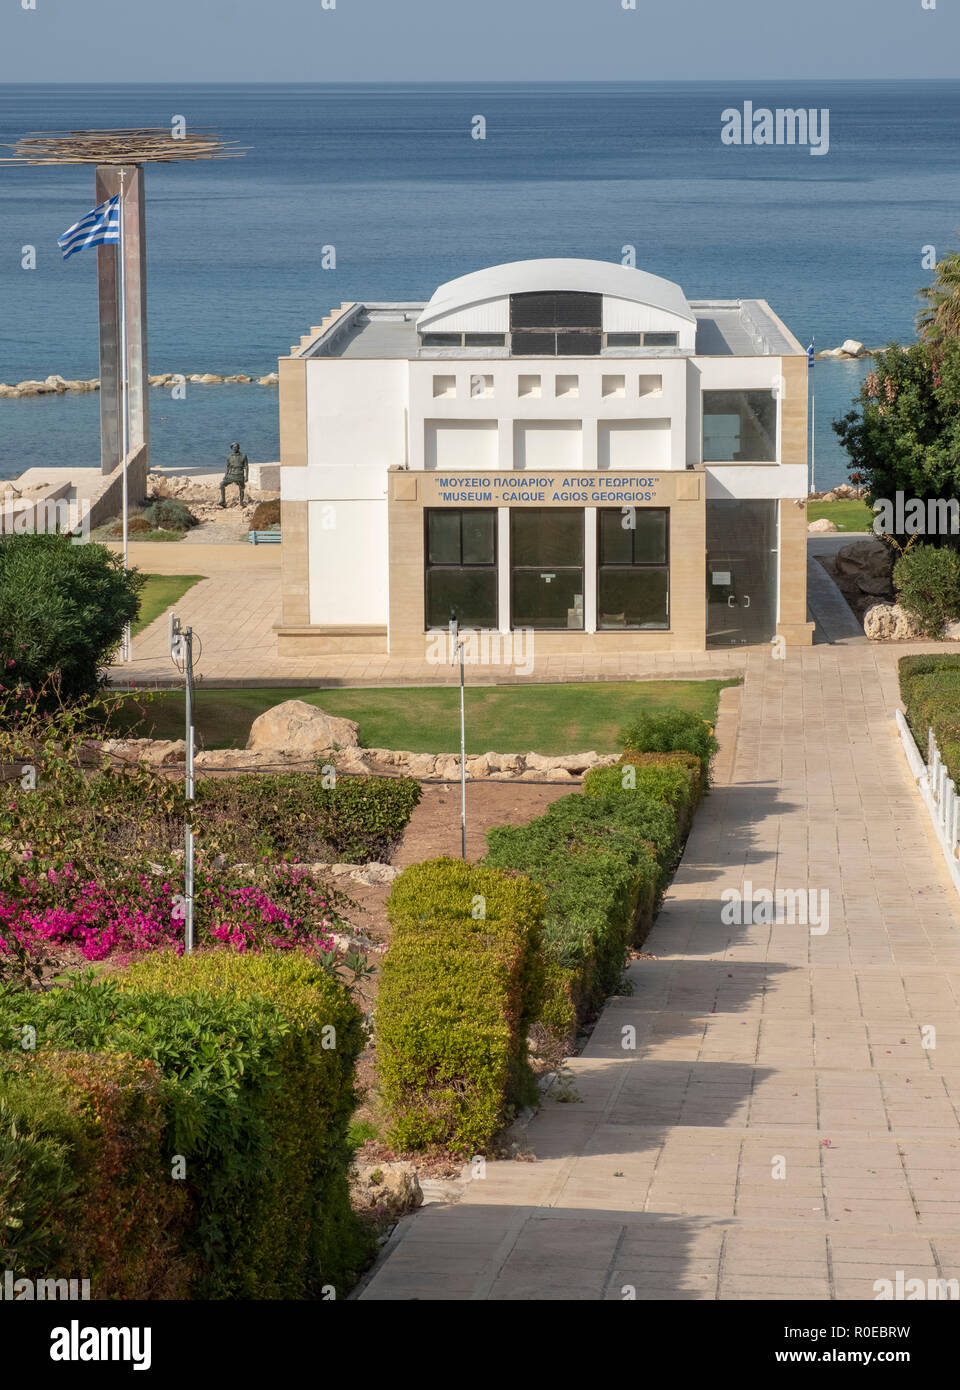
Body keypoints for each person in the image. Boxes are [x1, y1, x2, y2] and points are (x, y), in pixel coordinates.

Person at [219, 442, 249, 507]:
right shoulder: (229, 457)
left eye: (236, 447)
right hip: (231, 475)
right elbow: (228, 467)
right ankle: (223, 500)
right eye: (234, 447)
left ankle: (241, 502)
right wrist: (225, 475)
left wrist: (246, 477)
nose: (235, 448)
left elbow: (246, 467)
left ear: (239, 448)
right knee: (222, 484)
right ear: (232, 448)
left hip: (239, 475)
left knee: (241, 488)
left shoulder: (243, 456)